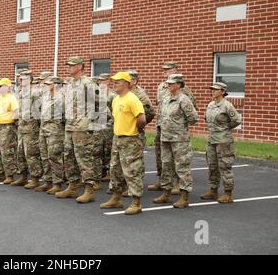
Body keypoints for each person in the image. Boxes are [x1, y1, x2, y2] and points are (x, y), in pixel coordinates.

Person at [99, 72, 146, 215]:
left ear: (125, 84)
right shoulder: (116, 99)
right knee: (115, 170)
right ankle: (116, 198)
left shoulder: (132, 99)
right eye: (113, 82)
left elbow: (142, 119)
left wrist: (134, 130)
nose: (114, 84)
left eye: (117, 82)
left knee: (132, 171)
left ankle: (136, 203)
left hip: (130, 140)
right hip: (117, 138)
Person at [56, 57, 98, 204]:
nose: (68, 67)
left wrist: (89, 120)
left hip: (82, 127)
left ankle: (89, 189)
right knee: (68, 156)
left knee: (84, 157)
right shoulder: (69, 83)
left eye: (72, 65)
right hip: (70, 125)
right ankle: (72, 186)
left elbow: (99, 102)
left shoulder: (88, 83)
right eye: (68, 65)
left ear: (80, 66)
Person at [153, 74, 198, 209]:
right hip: (165, 137)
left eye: (172, 83)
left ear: (179, 84)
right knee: (166, 165)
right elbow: (161, 115)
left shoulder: (184, 100)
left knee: (182, 167)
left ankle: (184, 197)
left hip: (179, 139)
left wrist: (180, 127)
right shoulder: (166, 99)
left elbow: (193, 118)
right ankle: (166, 193)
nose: (169, 85)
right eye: (168, 83)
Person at [201, 82, 241, 203]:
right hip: (212, 139)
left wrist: (225, 128)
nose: (213, 91)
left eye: (215, 89)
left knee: (225, 166)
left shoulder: (227, 106)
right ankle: (213, 190)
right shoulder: (211, 104)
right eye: (212, 89)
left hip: (223, 140)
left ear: (223, 92)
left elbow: (237, 120)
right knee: (212, 165)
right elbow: (206, 118)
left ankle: (228, 194)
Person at [12, 70, 44, 190]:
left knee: (31, 154)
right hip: (21, 126)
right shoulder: (20, 92)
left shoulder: (35, 92)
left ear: (29, 80)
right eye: (20, 79)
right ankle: (23, 176)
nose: (20, 80)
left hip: (31, 127)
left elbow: (40, 109)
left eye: (23, 78)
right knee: (20, 153)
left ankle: (35, 178)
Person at [39, 76, 66, 195]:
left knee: (54, 156)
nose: (46, 86)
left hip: (55, 131)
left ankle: (57, 183)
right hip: (44, 129)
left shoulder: (62, 99)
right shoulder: (46, 97)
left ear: (56, 85)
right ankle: (48, 181)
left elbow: (66, 116)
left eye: (49, 84)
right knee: (44, 156)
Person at [0, 78, 20, 184]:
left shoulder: (11, 98)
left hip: (7, 127)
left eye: (1, 86)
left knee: (6, 151)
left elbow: (16, 113)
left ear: (7, 87)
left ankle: (10, 175)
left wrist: (10, 121)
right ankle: (0, 172)